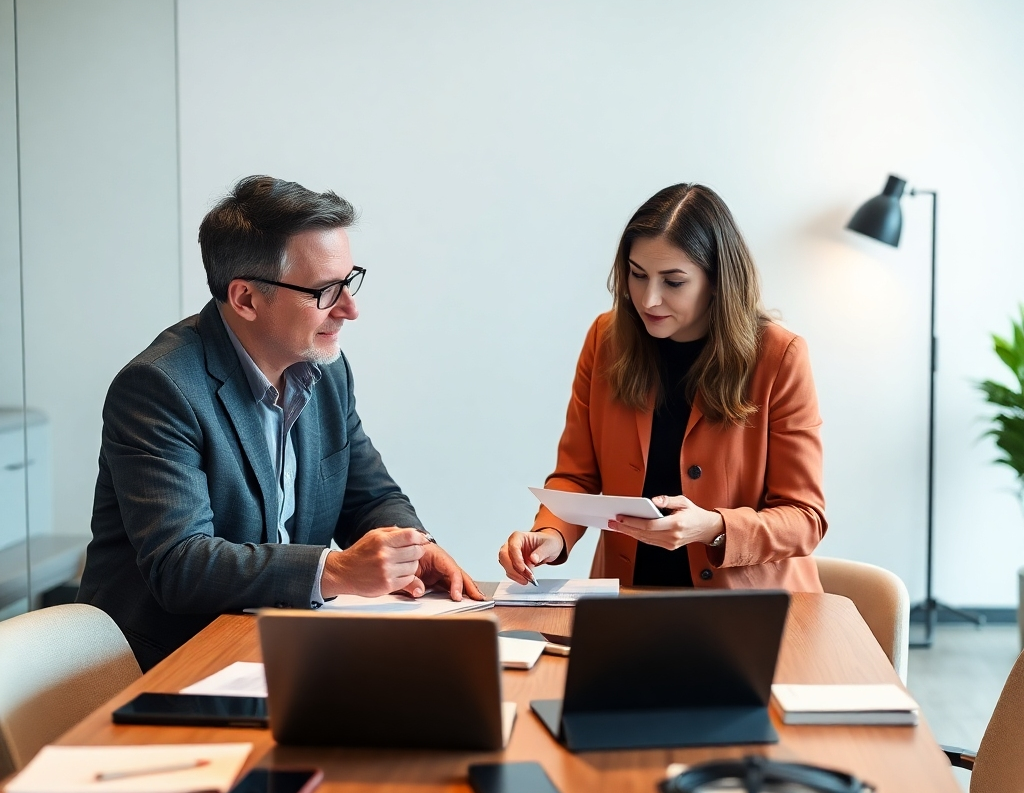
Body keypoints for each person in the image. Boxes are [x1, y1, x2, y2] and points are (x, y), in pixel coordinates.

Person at [79, 175, 481, 670]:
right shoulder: (158, 387)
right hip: (171, 664)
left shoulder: (325, 373)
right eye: (326, 291)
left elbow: (371, 497)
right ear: (246, 298)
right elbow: (180, 565)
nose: (351, 310)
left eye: (349, 281)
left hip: (281, 648)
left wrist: (413, 548)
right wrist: (335, 570)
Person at [498, 183, 825, 591]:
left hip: (749, 611)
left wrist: (712, 527)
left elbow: (804, 518)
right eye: (637, 275)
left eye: (673, 282)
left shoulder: (779, 356)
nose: (648, 299)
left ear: (717, 281)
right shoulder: (605, 339)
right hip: (627, 598)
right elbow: (577, 476)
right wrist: (551, 535)